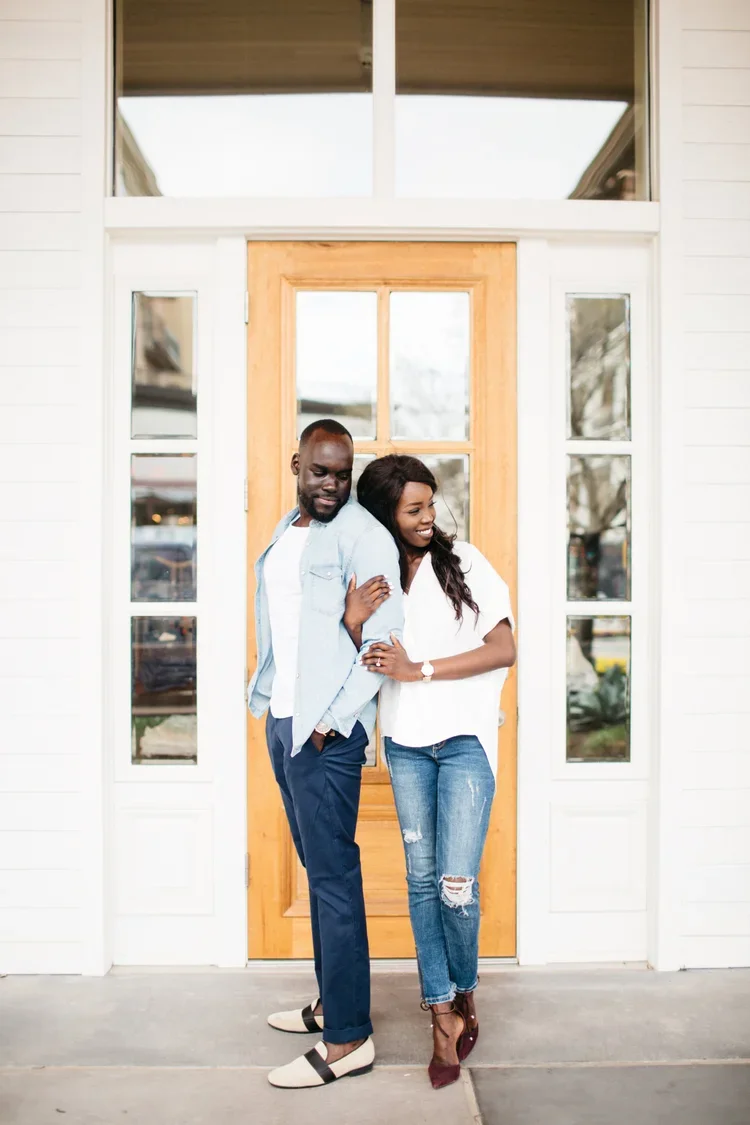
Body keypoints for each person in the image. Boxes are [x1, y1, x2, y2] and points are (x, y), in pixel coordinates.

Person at [345, 454, 516, 1090]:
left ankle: (465, 986)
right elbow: (353, 651)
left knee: (454, 885)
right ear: (386, 513)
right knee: (420, 882)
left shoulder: (466, 561)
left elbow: (503, 649)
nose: (427, 518)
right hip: (408, 746)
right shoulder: (375, 574)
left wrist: (419, 669)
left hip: (466, 743)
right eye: (413, 509)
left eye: (430, 505)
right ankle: (441, 1013)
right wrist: (354, 620)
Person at [247, 419, 403, 1090]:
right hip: (283, 721)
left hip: (324, 736)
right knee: (321, 876)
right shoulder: (291, 529)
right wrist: (278, 713)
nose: (332, 484)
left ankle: (348, 1038)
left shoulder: (364, 536)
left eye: (342, 473)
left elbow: (383, 649)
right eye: (320, 471)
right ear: (297, 465)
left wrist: (327, 726)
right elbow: (295, 627)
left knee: (334, 882)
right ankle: (335, 1003)